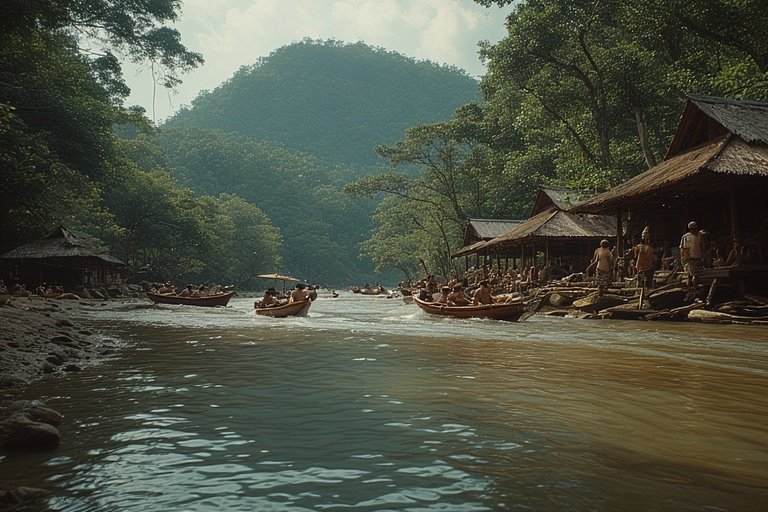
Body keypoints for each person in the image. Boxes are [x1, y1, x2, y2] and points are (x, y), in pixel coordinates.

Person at [680, 221, 705, 295]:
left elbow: (682, 248)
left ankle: (690, 288)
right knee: (695, 275)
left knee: (690, 274)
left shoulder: (685, 236)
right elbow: (703, 246)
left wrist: (683, 259)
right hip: (694, 257)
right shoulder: (699, 235)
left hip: (689, 258)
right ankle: (694, 289)